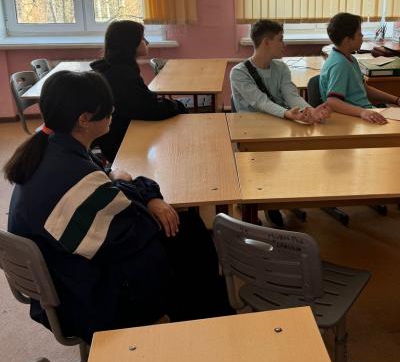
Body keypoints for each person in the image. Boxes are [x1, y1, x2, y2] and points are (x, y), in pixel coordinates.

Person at [5, 70, 231, 343]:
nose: (113, 111)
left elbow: (111, 188)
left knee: (183, 231)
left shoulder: (52, 147)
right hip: (83, 300)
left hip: (68, 273)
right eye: (107, 108)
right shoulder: (72, 175)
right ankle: (209, 330)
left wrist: (138, 190)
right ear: (84, 120)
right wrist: (138, 189)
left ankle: (209, 317)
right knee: (188, 241)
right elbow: (137, 225)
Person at [90, 20, 185, 161]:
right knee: (179, 122)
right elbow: (148, 109)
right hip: (123, 142)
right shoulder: (121, 75)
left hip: (121, 133)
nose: (147, 42)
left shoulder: (117, 68)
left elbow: (144, 101)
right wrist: (177, 105)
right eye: (142, 38)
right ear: (130, 43)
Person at [319, 12, 400, 124]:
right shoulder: (340, 64)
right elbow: (332, 102)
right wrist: (362, 112)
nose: (362, 36)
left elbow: (364, 89)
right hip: (354, 119)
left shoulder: (349, 58)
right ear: (347, 40)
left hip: (364, 113)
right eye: (359, 34)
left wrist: (397, 100)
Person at [230, 19, 330, 123]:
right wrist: (287, 113)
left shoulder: (281, 68)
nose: (284, 44)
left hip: (277, 123)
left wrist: (311, 111)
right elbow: (261, 102)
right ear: (266, 42)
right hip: (250, 127)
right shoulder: (239, 73)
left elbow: (291, 96)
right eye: (280, 39)